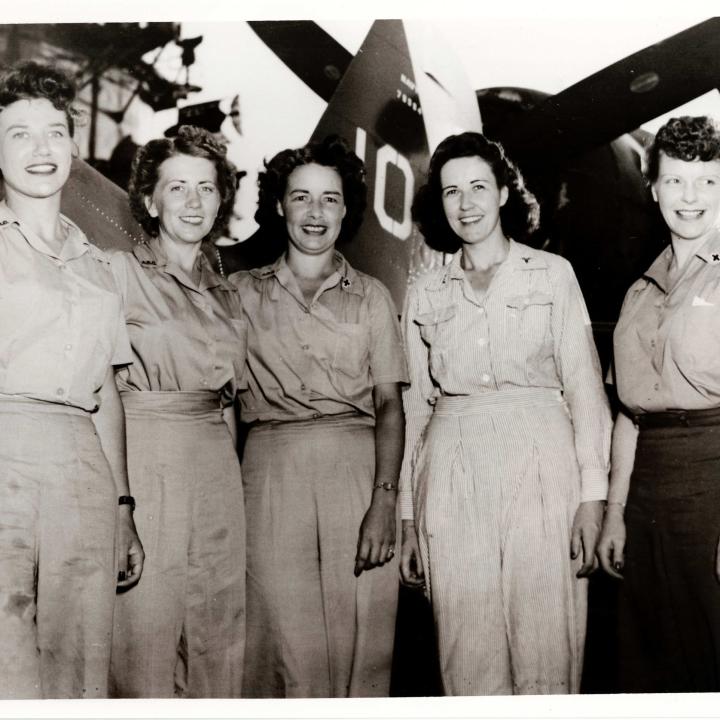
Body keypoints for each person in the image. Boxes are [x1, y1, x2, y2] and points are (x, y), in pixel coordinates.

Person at [400, 131, 611, 695]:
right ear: (438, 203)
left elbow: (587, 391)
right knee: (465, 652)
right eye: (451, 192)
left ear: (501, 193)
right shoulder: (424, 290)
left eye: (477, 187)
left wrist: (593, 499)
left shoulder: (552, 274)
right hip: (451, 475)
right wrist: (405, 515)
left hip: (542, 463)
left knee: (547, 643)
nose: (465, 204)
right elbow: (414, 409)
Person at [229, 135, 407, 698]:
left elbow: (389, 404)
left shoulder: (373, 297)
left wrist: (384, 500)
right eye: (301, 197)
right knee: (276, 637)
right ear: (279, 205)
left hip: (356, 473)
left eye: (329, 199)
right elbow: (224, 405)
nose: (315, 212)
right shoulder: (239, 294)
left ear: (346, 208)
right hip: (269, 475)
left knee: (360, 636)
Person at [0, 60, 143, 698]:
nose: (40, 149)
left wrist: (123, 507)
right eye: (19, 133)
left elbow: (107, 392)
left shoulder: (98, 264)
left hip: (83, 465)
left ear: (74, 145)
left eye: (54, 132)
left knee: (81, 660)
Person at [108, 125, 246, 698]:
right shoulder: (117, 273)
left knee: (218, 631)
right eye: (178, 187)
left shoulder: (227, 293)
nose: (193, 202)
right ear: (149, 200)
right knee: (143, 631)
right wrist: (119, 504)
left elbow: (230, 403)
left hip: (215, 466)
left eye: (207, 188)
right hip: (144, 454)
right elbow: (100, 391)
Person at [597, 116, 720, 692]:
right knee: (647, 662)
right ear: (653, 188)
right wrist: (615, 512)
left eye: (707, 182)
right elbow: (629, 412)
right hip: (646, 490)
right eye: (675, 181)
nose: (689, 197)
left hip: (712, 482)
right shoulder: (639, 291)